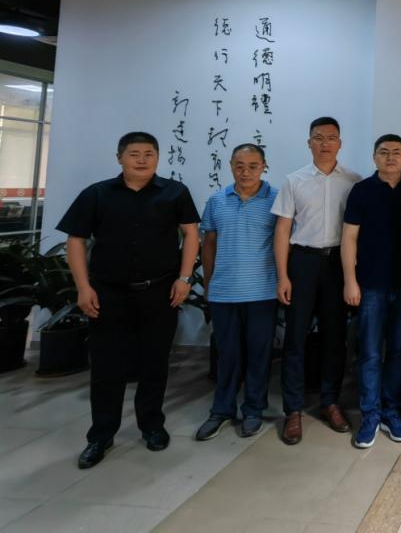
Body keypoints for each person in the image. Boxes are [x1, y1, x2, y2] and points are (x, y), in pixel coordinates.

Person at [58, 131, 200, 469]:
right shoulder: (97, 194)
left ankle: (151, 425)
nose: (142, 160)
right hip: (108, 293)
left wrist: (184, 279)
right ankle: (100, 435)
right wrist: (83, 287)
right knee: (106, 366)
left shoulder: (175, 192)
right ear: (120, 157)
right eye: (134, 154)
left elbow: (191, 234)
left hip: (159, 292)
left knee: (155, 362)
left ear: (158, 158)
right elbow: (76, 241)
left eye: (149, 154)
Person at [272, 117, 361, 445]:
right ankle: (293, 410)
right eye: (319, 138)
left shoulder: (354, 181)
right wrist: (283, 275)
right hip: (303, 262)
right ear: (309, 142)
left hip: (338, 264)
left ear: (340, 143)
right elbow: (282, 230)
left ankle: (330, 402)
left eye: (331, 137)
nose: (325, 143)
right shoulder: (293, 181)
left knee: (334, 337)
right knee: (295, 338)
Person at [342, 134, 401, 449]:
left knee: (400, 350)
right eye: (384, 152)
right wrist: (350, 280)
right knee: (370, 352)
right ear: (374, 157)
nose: (390, 157)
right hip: (370, 286)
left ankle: (391, 410)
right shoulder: (361, 191)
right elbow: (349, 238)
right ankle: (370, 414)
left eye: (397, 152)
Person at [194, 144, 279, 442]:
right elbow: (209, 244)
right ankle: (222, 409)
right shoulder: (217, 200)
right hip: (224, 292)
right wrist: (208, 284)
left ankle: (253, 409)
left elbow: (284, 244)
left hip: (263, 291)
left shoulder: (277, 199)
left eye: (253, 166)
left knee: (259, 354)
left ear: (264, 166)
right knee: (227, 355)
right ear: (230, 166)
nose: (246, 172)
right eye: (239, 166)